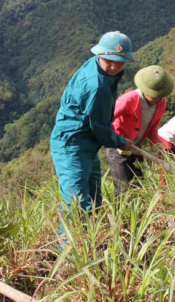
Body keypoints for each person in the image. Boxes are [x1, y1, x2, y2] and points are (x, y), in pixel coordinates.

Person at [50, 31, 136, 212]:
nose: (113, 66)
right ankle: (68, 241)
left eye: (119, 62)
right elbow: (98, 127)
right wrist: (121, 142)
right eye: (109, 60)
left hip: (87, 144)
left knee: (93, 199)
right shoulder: (96, 86)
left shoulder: (100, 69)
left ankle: (91, 239)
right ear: (99, 55)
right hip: (72, 145)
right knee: (76, 205)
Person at [107, 65, 173, 195]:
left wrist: (157, 143)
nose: (159, 99)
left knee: (138, 183)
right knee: (124, 186)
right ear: (145, 90)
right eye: (155, 96)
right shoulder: (129, 99)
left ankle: (141, 213)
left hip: (136, 146)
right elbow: (107, 119)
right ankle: (122, 213)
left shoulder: (160, 103)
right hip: (118, 148)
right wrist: (117, 140)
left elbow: (152, 127)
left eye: (161, 96)